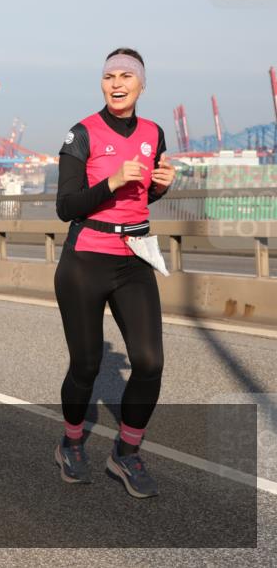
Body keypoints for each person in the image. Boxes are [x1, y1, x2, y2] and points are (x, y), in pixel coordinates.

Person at [53, 48, 175, 498]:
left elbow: (142, 199)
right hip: (86, 258)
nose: (117, 83)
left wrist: (161, 187)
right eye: (109, 76)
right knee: (86, 364)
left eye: (126, 76)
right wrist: (109, 182)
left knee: (149, 362)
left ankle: (126, 452)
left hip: (135, 257)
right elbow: (66, 207)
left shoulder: (153, 132)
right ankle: (70, 442)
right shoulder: (81, 133)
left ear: (143, 83)